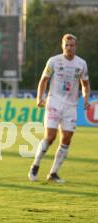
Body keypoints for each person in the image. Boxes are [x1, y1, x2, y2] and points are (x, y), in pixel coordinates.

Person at [28, 34, 90, 183]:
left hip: (71, 106)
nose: (69, 48)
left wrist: (86, 99)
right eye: (66, 45)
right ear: (62, 46)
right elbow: (44, 80)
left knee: (66, 140)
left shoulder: (81, 64)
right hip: (54, 103)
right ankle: (35, 165)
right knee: (50, 137)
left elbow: (85, 84)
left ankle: (53, 173)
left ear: (76, 46)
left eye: (72, 45)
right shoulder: (54, 61)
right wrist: (39, 97)